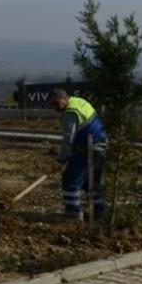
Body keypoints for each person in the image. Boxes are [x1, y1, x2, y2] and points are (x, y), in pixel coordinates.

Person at [47, 88, 108, 221]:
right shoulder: (78, 101)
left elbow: (68, 140)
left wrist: (60, 160)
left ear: (64, 99)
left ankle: (73, 214)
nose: (55, 108)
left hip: (88, 149)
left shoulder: (70, 113)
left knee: (70, 180)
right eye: (52, 105)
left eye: (57, 104)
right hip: (101, 147)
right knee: (90, 183)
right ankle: (100, 213)